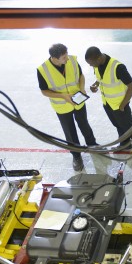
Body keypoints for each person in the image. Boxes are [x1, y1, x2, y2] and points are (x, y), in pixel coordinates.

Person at [38, 43, 97, 171]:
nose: (67, 59)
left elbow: (80, 76)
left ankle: (92, 145)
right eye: (64, 57)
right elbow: (44, 91)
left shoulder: (72, 60)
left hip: (78, 100)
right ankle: (76, 156)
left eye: (67, 55)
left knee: (84, 124)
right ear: (55, 58)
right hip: (62, 106)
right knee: (69, 131)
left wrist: (82, 88)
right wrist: (62, 96)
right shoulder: (43, 70)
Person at [85, 46, 132, 166]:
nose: (91, 66)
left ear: (98, 58)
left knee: (130, 128)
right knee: (118, 125)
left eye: (91, 63)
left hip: (120, 105)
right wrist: (95, 84)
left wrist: (123, 105)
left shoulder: (118, 67)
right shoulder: (97, 65)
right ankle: (125, 143)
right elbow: (100, 78)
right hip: (108, 103)